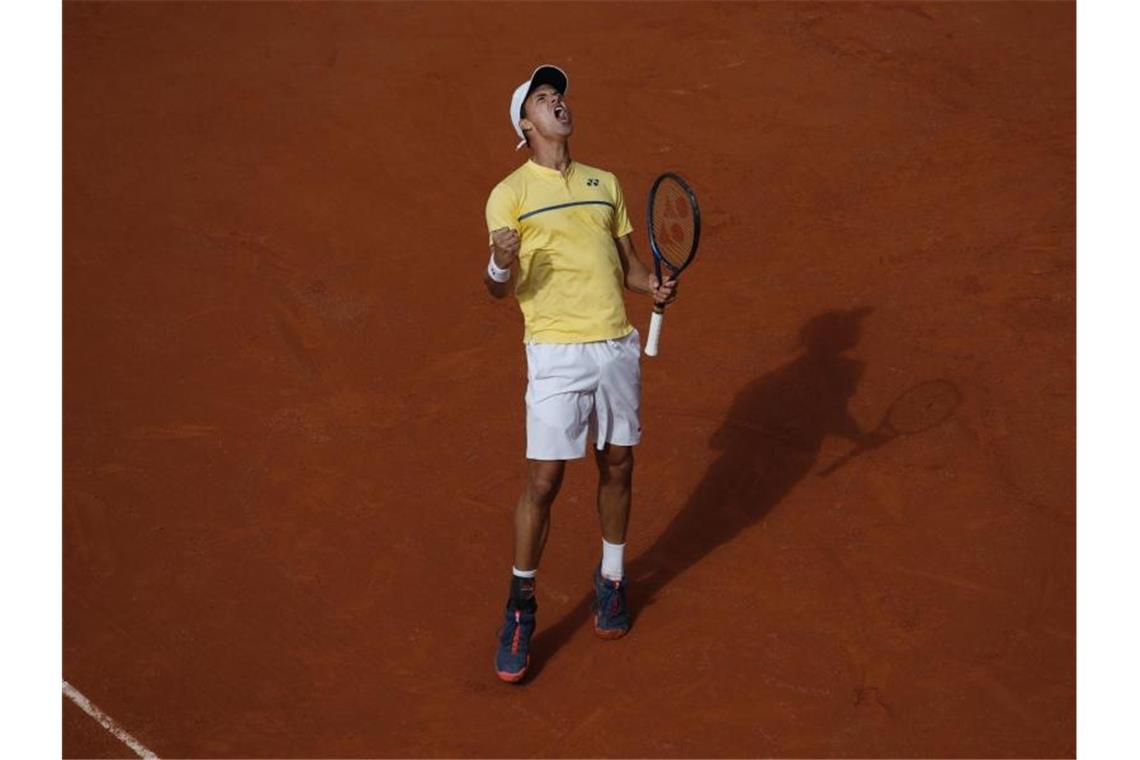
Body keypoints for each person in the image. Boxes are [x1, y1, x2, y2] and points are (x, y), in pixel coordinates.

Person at [483, 64, 676, 683]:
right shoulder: (508, 193)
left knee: (618, 464)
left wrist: (656, 285)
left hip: (615, 347)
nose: (557, 102)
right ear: (525, 124)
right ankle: (521, 605)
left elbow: (630, 269)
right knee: (544, 481)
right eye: (543, 98)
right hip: (556, 354)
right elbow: (497, 288)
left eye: (559, 94)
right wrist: (498, 260)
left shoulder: (605, 183)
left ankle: (612, 579)